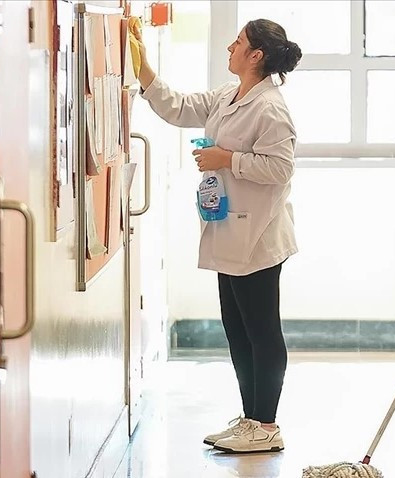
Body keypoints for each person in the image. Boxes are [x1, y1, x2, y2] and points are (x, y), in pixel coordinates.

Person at [134, 19, 302, 454]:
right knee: (238, 330)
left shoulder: (271, 108)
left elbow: (280, 169)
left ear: (256, 55)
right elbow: (179, 107)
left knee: (261, 332)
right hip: (230, 230)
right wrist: (143, 67)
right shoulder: (229, 96)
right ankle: (251, 419)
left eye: (239, 42)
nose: (231, 46)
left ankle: (267, 424)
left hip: (259, 236)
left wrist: (227, 159)